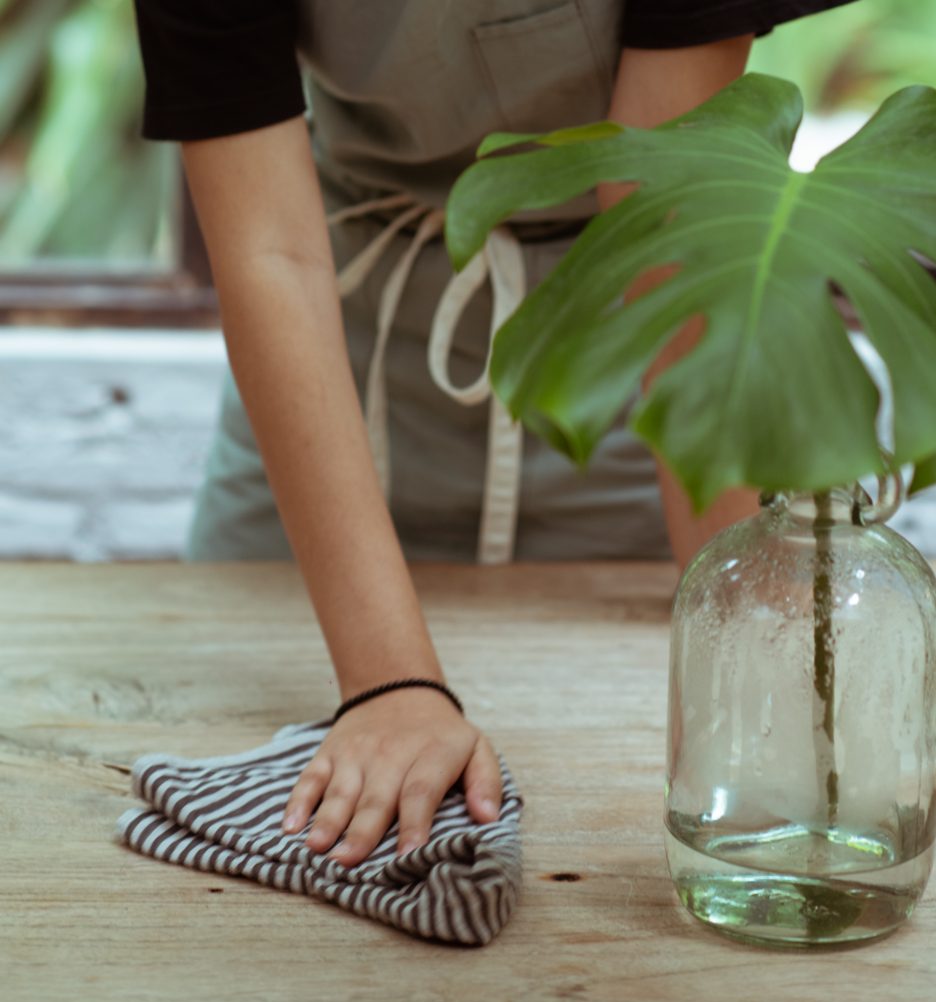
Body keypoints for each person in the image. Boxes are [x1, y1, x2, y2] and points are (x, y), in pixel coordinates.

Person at [132, 0, 858, 869]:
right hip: (337, 400)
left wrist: (757, 630)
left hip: (618, 397)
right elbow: (271, 254)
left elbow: (661, 213)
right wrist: (391, 687)